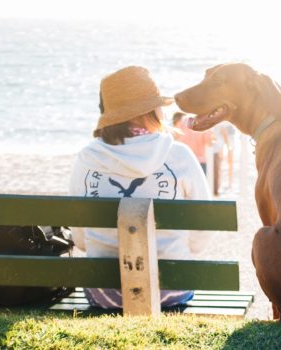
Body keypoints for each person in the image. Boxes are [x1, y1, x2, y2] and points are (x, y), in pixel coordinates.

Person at [68, 66, 212, 309]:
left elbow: (80, 239)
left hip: (104, 291)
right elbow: (203, 230)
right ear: (151, 111)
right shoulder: (178, 154)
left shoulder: (86, 158)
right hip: (172, 287)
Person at [211, 121, 236, 195]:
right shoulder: (222, 123)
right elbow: (223, 132)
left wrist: (228, 146)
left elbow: (224, 132)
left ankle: (229, 183)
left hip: (226, 140)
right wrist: (228, 146)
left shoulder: (224, 123)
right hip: (223, 142)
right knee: (225, 163)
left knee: (227, 163)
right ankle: (227, 183)